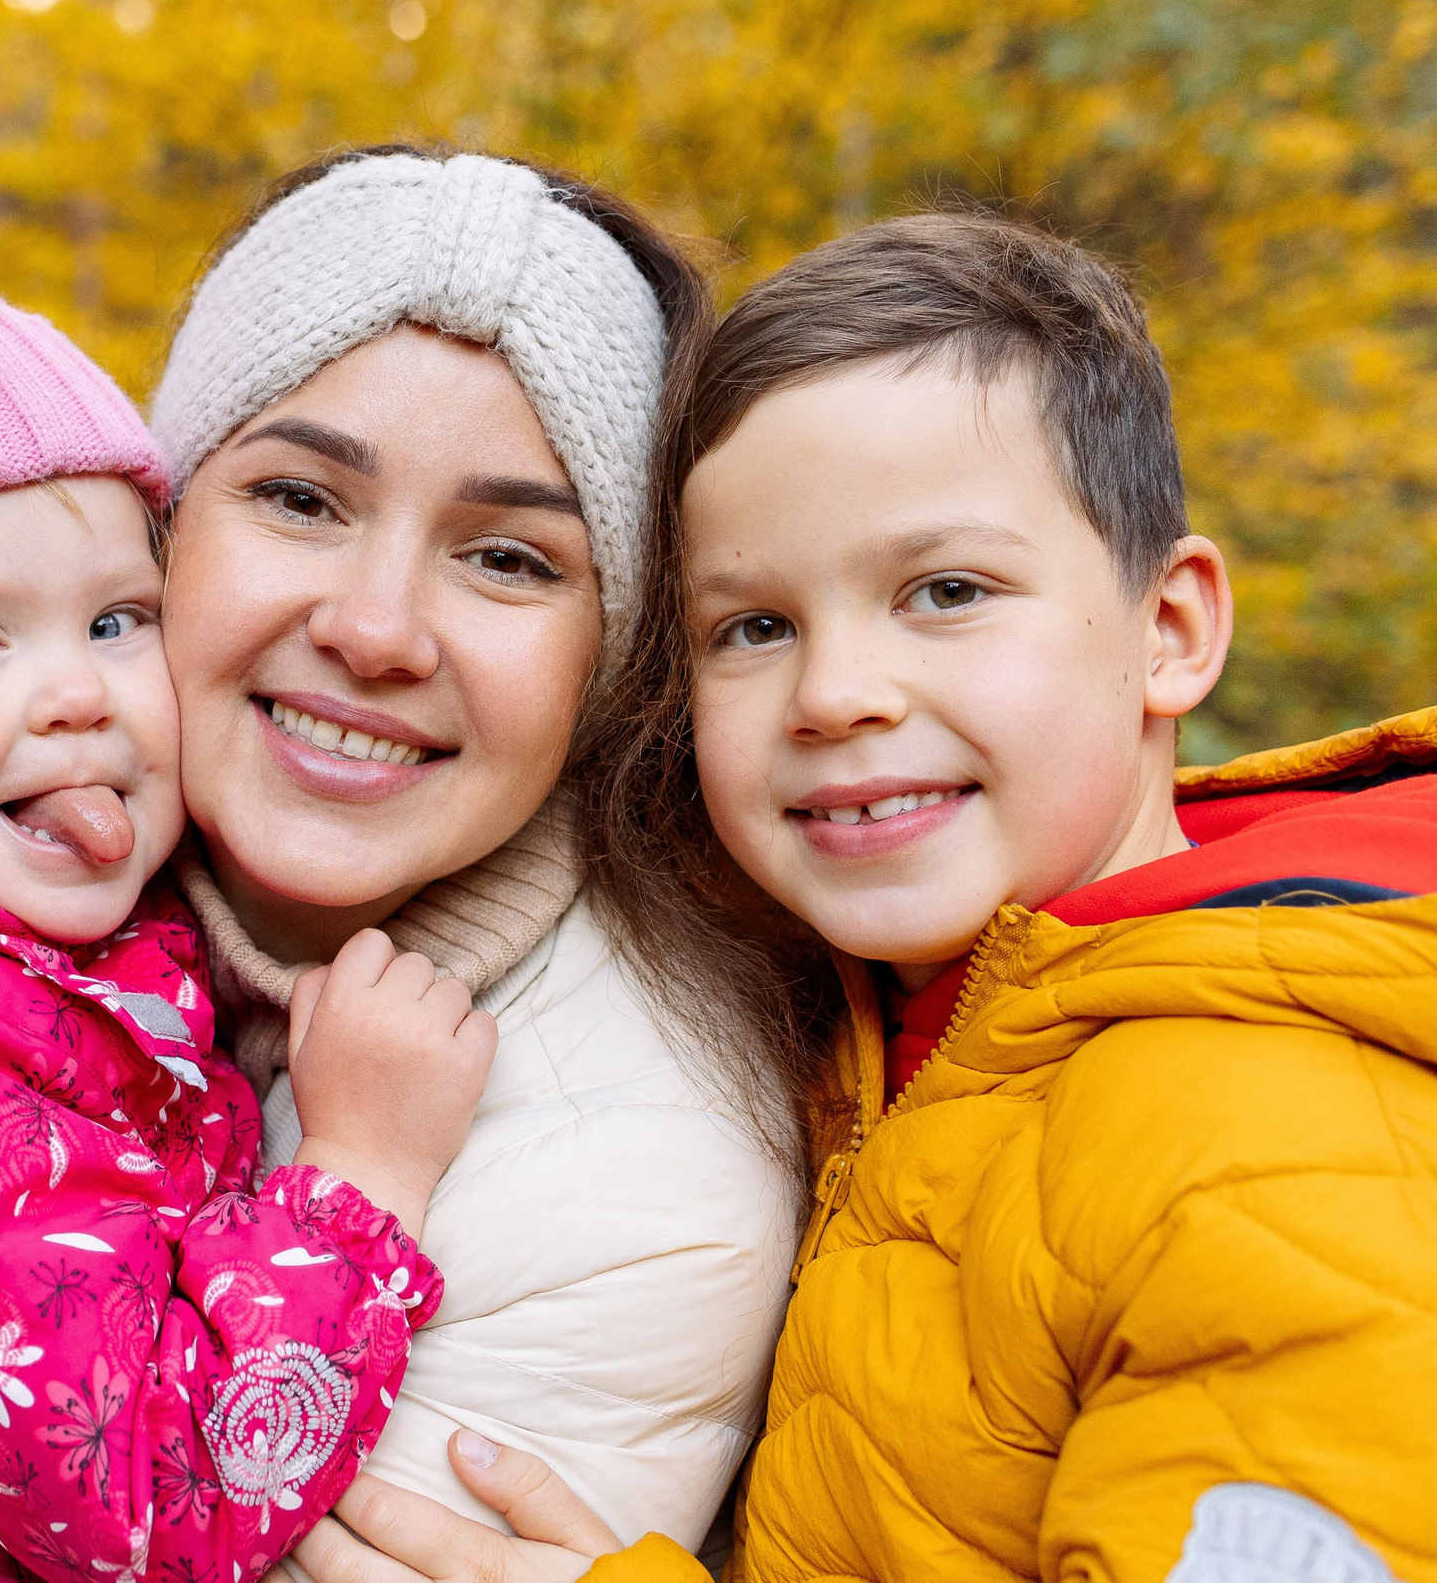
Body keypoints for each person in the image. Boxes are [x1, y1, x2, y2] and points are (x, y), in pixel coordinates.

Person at [0, 147, 824, 1564]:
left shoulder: (633, 1175)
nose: (376, 627)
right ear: (176, 521)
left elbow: (158, 1504)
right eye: (301, 498)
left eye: (509, 559)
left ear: (613, 656)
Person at [292, 214, 1437, 1582]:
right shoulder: (895, 1026)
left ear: (1169, 629)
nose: (835, 694)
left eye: (946, 590)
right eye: (754, 628)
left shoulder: (1265, 1142)